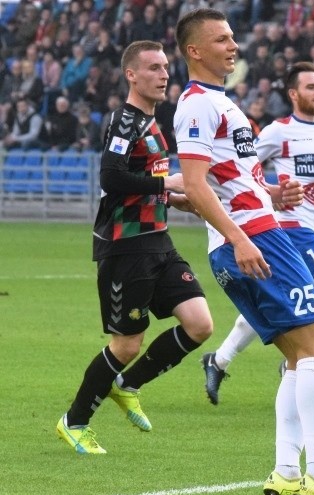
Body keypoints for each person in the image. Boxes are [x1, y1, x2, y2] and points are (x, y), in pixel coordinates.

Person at [173, 9, 314, 495]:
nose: (233, 45)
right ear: (195, 51)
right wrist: (241, 235)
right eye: (221, 39)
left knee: (296, 358)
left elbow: (220, 180)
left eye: (233, 36)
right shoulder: (196, 104)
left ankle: (287, 472)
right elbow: (195, 184)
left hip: (260, 230)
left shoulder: (221, 103)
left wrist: (272, 193)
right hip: (257, 241)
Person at [55, 41, 213, 455]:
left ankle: (128, 385)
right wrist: (169, 184)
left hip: (158, 241)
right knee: (126, 344)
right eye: (153, 68)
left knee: (199, 324)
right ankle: (74, 422)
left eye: (165, 67)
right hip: (126, 248)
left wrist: (178, 201)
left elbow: (146, 184)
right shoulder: (126, 121)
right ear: (132, 75)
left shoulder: (152, 121)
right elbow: (111, 177)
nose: (164, 75)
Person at [200, 60, 314, 405]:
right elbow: (247, 169)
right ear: (294, 94)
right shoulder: (277, 132)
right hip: (289, 226)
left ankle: (219, 360)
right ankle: (300, 359)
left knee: (278, 300)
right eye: (311, 87)